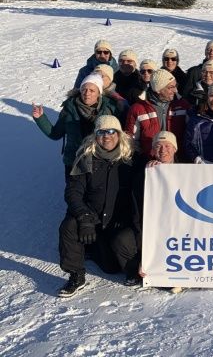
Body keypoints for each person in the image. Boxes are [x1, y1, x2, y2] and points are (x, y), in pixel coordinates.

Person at [57, 115, 136, 297]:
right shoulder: (86, 158)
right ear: (95, 136)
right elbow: (73, 192)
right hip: (92, 217)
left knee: (111, 268)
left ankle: (93, 247)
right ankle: (76, 274)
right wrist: (84, 217)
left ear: (119, 135)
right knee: (69, 226)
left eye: (111, 132)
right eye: (101, 132)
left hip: (115, 220)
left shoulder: (130, 159)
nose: (106, 136)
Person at [32, 73, 118, 180]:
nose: (87, 93)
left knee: (95, 195)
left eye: (92, 90)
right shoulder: (69, 109)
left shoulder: (109, 109)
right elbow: (55, 134)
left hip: (99, 161)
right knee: (73, 195)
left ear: (99, 93)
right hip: (73, 160)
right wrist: (40, 118)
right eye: (84, 89)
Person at [130, 131, 180, 290]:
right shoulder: (146, 172)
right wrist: (147, 175)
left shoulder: (186, 171)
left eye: (167, 146)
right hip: (155, 228)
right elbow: (140, 214)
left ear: (175, 149)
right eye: (158, 146)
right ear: (152, 151)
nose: (163, 150)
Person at [125, 69, 190, 165]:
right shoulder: (138, 109)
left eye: (175, 86)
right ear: (158, 90)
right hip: (149, 163)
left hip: (178, 162)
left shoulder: (183, 105)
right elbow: (131, 140)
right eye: (170, 87)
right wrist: (144, 159)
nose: (175, 90)